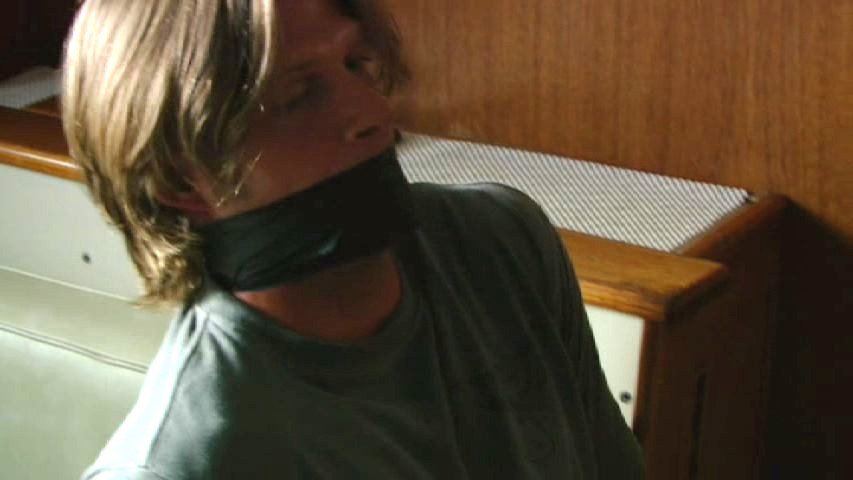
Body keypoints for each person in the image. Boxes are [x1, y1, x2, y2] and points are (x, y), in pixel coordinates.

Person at [63, 0, 644, 478]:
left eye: (356, 65)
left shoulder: (503, 242)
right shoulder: (183, 463)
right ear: (183, 180)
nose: (373, 112)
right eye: (299, 95)